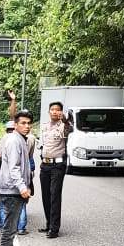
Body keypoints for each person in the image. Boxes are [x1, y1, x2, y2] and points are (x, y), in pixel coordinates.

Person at [0, 110, 33, 246]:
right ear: (16, 125)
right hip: (11, 190)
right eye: (23, 123)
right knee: (10, 228)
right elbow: (14, 168)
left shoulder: (21, 140)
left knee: (12, 226)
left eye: (28, 123)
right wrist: (22, 187)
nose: (27, 126)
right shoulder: (14, 141)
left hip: (14, 189)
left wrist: (26, 186)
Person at [38, 100, 72, 238]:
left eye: (58, 109)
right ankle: (48, 223)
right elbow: (42, 144)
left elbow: (68, 129)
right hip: (45, 165)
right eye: (52, 109)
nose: (55, 111)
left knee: (54, 196)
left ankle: (54, 228)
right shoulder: (45, 127)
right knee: (46, 195)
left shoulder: (64, 125)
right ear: (49, 111)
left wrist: (64, 120)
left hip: (57, 166)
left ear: (61, 112)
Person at [0, 121, 28, 233]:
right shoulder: (23, 139)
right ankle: (21, 227)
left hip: (9, 181)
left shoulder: (6, 138)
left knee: (4, 206)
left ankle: (2, 225)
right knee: (22, 205)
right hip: (20, 179)